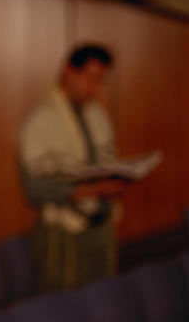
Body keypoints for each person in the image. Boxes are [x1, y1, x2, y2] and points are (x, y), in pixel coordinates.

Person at [18, 45, 130, 292]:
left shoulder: (96, 115)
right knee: (65, 304)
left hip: (100, 223)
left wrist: (116, 180)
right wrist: (88, 190)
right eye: (91, 79)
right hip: (63, 232)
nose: (96, 88)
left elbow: (104, 161)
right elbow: (34, 187)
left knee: (102, 297)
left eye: (101, 81)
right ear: (69, 72)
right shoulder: (41, 120)